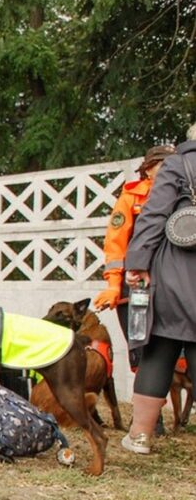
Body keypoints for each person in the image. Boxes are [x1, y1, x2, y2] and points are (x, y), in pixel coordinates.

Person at [121, 123, 196, 454]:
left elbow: (152, 217)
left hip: (173, 271)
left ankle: (139, 435)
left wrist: (137, 263)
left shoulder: (178, 163)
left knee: (159, 348)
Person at [95, 144, 176, 371]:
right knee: (142, 354)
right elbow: (116, 242)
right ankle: (148, 404)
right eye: (165, 165)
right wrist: (113, 285)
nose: (171, 171)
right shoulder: (132, 197)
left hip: (172, 286)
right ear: (148, 169)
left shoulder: (185, 194)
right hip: (135, 289)